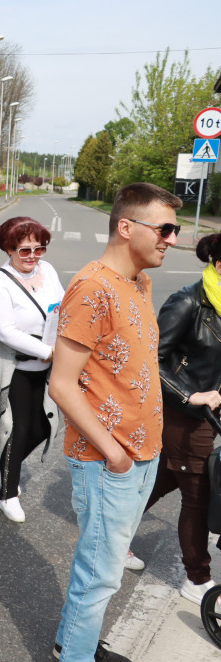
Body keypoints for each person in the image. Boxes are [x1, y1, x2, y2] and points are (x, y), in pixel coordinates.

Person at [49, 182, 182, 662]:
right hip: (110, 459)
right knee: (99, 573)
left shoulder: (141, 282)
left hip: (143, 452)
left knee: (100, 572)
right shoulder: (92, 288)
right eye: (163, 228)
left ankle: (73, 643)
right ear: (126, 228)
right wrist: (115, 453)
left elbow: (139, 366)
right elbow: (61, 385)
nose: (171, 238)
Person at [128, 233, 221, 606]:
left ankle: (112, 534)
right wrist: (190, 394)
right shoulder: (188, 303)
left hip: (208, 414)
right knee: (198, 494)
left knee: (163, 479)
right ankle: (197, 579)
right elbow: (147, 359)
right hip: (181, 413)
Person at [0, 217, 64, 523]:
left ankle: (4, 465)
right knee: (18, 427)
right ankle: (8, 494)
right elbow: (6, 332)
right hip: (16, 369)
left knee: (44, 426)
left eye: (40, 249)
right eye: (25, 251)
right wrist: (46, 350)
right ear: (9, 249)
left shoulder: (47, 271)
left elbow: (62, 306)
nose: (33, 257)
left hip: (48, 367)